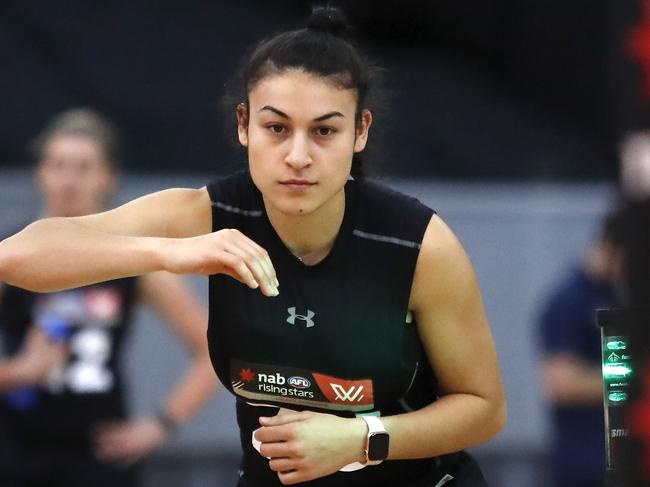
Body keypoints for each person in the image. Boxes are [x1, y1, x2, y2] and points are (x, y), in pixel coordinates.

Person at [0, 7, 506, 487]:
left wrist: (363, 439)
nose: (299, 155)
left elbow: (483, 407)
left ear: (360, 132)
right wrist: (168, 253)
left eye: (325, 131)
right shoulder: (207, 215)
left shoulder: (417, 243)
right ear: (245, 126)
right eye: (277, 128)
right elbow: (15, 257)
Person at [0, 108, 218, 487]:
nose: (69, 180)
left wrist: (160, 424)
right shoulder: (11, 254)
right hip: (17, 451)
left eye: (83, 167)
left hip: (99, 457)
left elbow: (213, 348)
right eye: (59, 165)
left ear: (109, 176)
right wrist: (19, 372)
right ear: (40, 172)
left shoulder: (135, 259)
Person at [537, 211, 625, 487]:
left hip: (618, 457)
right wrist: (631, 382)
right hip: (582, 463)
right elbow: (560, 383)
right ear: (612, 248)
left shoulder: (614, 295)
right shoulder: (568, 300)